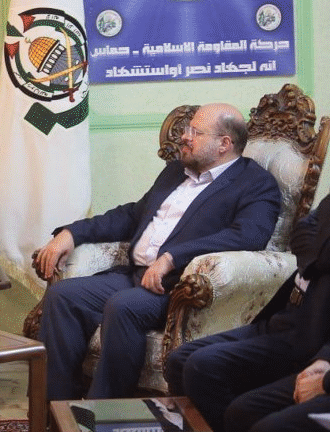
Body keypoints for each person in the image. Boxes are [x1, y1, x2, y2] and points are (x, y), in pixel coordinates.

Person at [34, 102, 281, 401]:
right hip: (134, 276)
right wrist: (71, 233)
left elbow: (249, 235)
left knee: (123, 306)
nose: (185, 136)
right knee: (63, 296)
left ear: (224, 144)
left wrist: (172, 258)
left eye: (196, 132)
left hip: (178, 288)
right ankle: (56, 409)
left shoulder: (255, 184)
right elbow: (131, 215)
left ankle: (106, 416)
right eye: (187, 129)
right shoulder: (176, 171)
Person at [166, 192, 330, 432]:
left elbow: (317, 243)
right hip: (285, 313)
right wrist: (319, 254)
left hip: (309, 332)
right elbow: (302, 231)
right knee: (179, 360)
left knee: (204, 368)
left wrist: (318, 250)